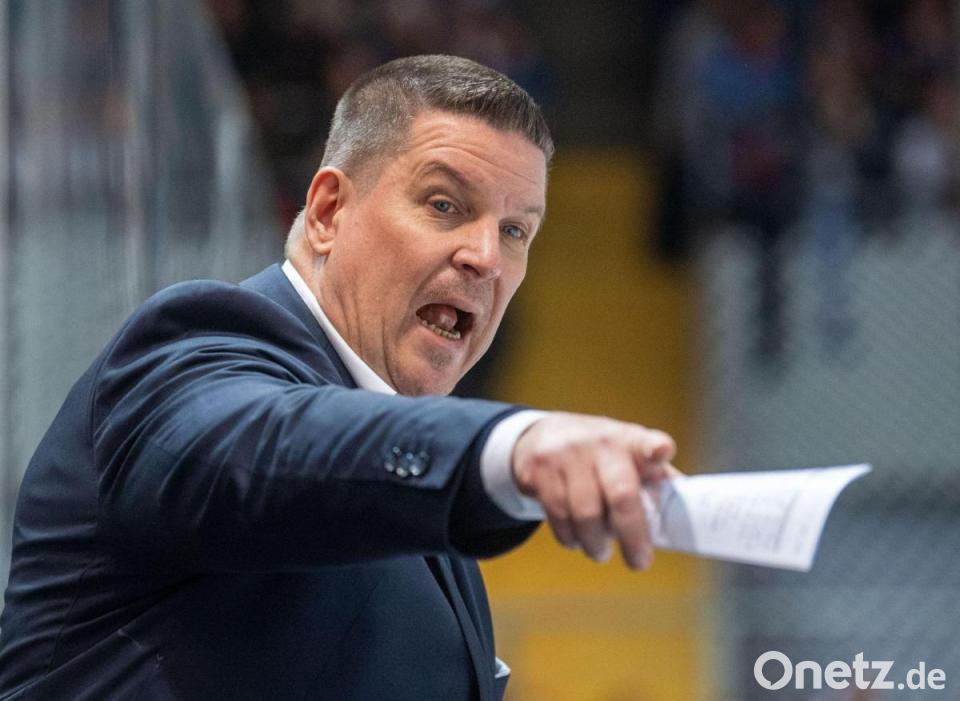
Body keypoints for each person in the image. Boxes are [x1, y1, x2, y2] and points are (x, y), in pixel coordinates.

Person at [0, 55, 677, 700]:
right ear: (328, 212)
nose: (485, 257)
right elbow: (255, 447)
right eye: (444, 205)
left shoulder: (420, 513)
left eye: (514, 231)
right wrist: (509, 446)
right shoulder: (197, 344)